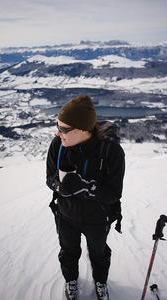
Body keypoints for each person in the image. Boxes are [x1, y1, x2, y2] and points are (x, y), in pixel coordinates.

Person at [46, 95, 125, 300]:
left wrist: (85, 187)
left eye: (63, 128)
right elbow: (49, 178)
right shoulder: (58, 145)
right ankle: (71, 279)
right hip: (66, 215)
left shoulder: (111, 151)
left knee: (99, 254)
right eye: (57, 125)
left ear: (83, 129)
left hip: (97, 218)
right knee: (68, 252)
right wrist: (59, 187)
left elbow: (113, 194)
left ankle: (100, 281)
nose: (57, 132)